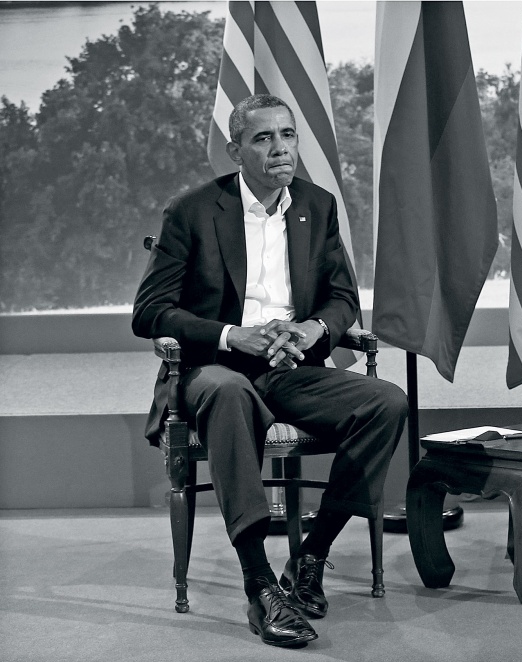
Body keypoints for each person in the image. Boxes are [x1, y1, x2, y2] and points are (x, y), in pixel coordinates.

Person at [133, 94, 408, 648]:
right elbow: (150, 311)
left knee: (386, 402)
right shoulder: (192, 211)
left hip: (291, 367)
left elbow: (342, 298)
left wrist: (311, 330)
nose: (280, 148)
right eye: (263, 138)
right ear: (235, 150)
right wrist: (232, 334)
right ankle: (259, 583)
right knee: (230, 393)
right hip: (214, 368)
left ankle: (311, 556)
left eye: (287, 135)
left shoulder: (317, 205)